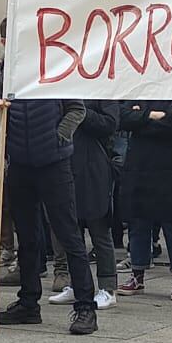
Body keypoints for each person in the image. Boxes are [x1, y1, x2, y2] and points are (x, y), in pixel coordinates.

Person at [0, 96, 98, 335]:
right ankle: (28, 303)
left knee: (69, 236)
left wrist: (59, 138)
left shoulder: (54, 68)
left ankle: (85, 307)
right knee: (28, 238)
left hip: (54, 163)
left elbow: (76, 109)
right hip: (20, 164)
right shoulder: (13, 74)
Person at [117, 100, 172, 300]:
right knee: (138, 222)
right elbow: (123, 117)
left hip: (170, 167)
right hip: (139, 166)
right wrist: (152, 115)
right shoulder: (138, 90)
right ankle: (137, 274)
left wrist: (141, 117)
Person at [56, 97, 119, 310]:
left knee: (98, 228)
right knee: (72, 230)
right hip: (67, 161)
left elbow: (110, 124)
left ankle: (108, 288)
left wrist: (80, 112)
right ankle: (78, 284)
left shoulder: (100, 92)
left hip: (94, 165)